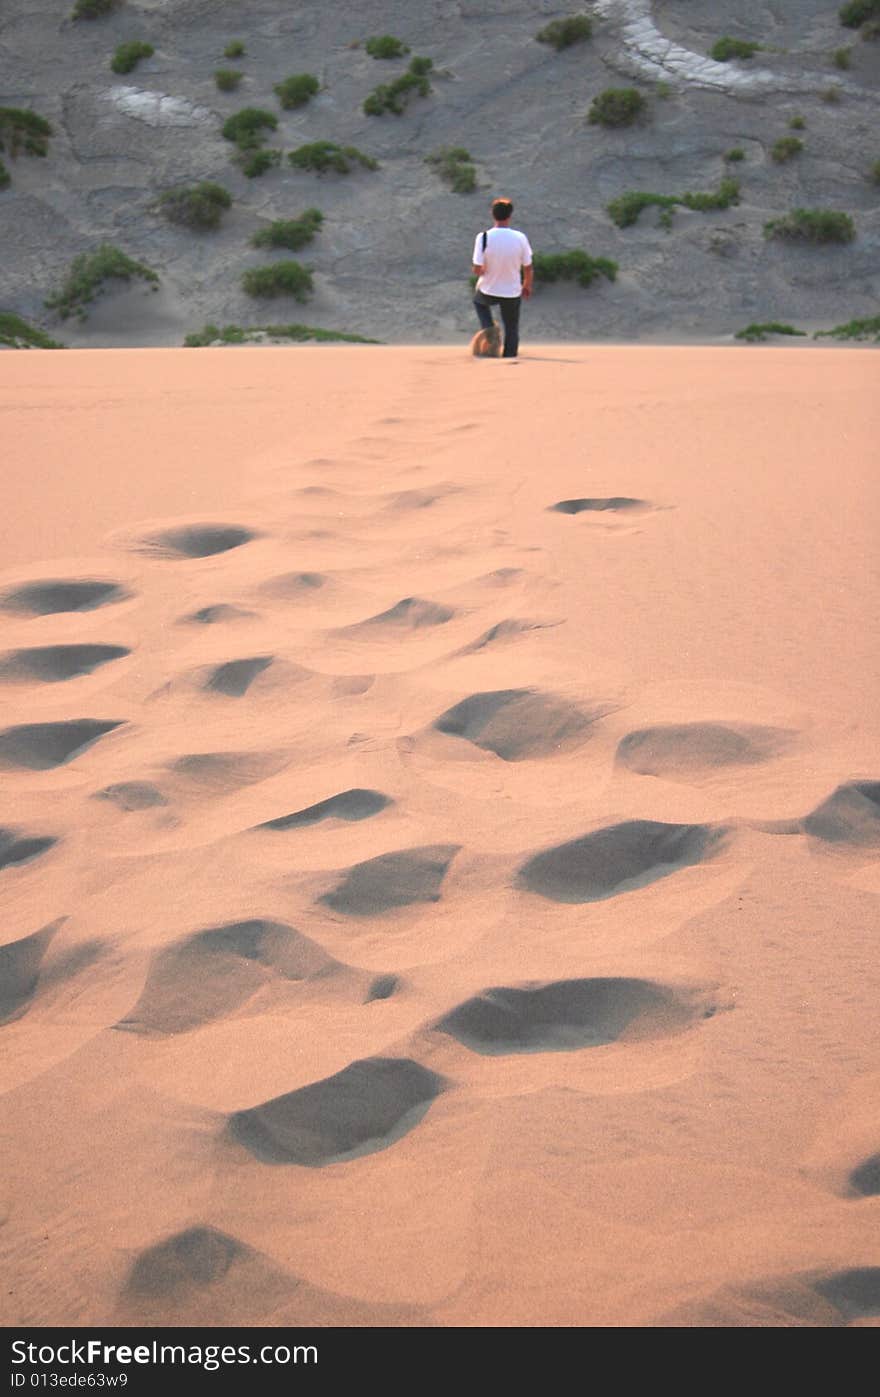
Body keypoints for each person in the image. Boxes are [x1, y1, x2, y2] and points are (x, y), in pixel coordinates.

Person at [471, 197, 533, 360]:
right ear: (510, 215)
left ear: (493, 214)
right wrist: (527, 285)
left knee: (479, 302)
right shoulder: (520, 237)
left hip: (489, 288)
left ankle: (489, 329)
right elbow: (528, 266)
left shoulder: (483, 237)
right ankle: (510, 356)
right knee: (511, 326)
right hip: (512, 291)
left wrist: (483, 269)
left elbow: (477, 269)